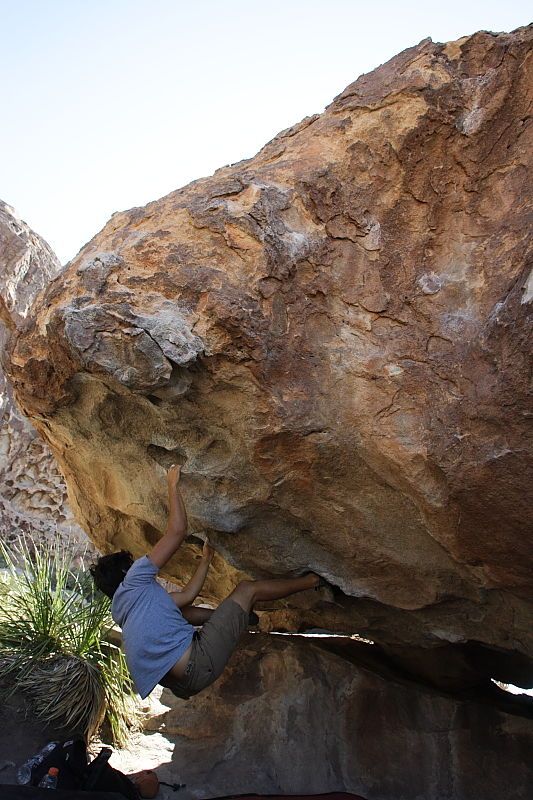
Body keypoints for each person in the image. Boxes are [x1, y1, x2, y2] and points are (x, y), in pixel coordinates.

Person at [90, 464, 321, 700]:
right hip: (198, 662)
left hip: (183, 686)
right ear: (125, 570)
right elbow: (177, 531)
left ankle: (241, 619)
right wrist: (172, 484)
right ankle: (312, 581)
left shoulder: (127, 612)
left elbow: (187, 597)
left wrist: (206, 559)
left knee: (183, 612)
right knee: (247, 590)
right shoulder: (135, 579)